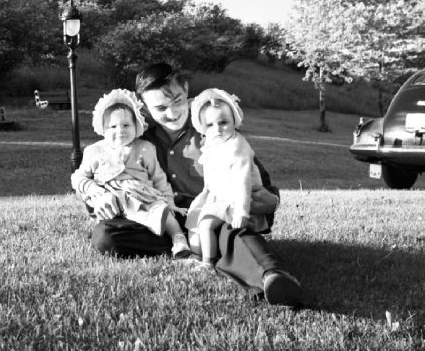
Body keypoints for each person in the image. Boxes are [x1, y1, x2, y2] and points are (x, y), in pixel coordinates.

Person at [86, 62, 304, 307]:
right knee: (106, 235)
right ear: (145, 106)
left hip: (211, 217)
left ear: (186, 88)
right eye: (160, 108)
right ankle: (190, 247)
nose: (171, 113)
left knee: (232, 233)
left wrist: (256, 203)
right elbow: (99, 173)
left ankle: (271, 277)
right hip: (164, 219)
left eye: (177, 101)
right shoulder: (137, 138)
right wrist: (97, 194)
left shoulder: (213, 125)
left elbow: (262, 189)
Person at [72, 89, 192, 259]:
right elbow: (79, 177)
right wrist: (95, 191)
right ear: (103, 129)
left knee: (161, 210)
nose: (120, 130)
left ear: (137, 126)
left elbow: (159, 179)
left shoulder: (145, 148)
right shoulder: (95, 151)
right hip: (114, 201)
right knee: (107, 231)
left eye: (126, 125)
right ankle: (139, 236)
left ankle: (178, 238)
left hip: (143, 196)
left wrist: (170, 202)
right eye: (113, 126)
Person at [185, 88, 267, 270]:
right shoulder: (213, 143)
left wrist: (242, 212)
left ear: (234, 121)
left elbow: (243, 182)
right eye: (210, 125)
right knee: (195, 220)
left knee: (206, 224)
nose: (217, 129)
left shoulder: (236, 147)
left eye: (223, 122)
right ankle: (198, 254)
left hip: (236, 199)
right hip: (217, 195)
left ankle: (208, 263)